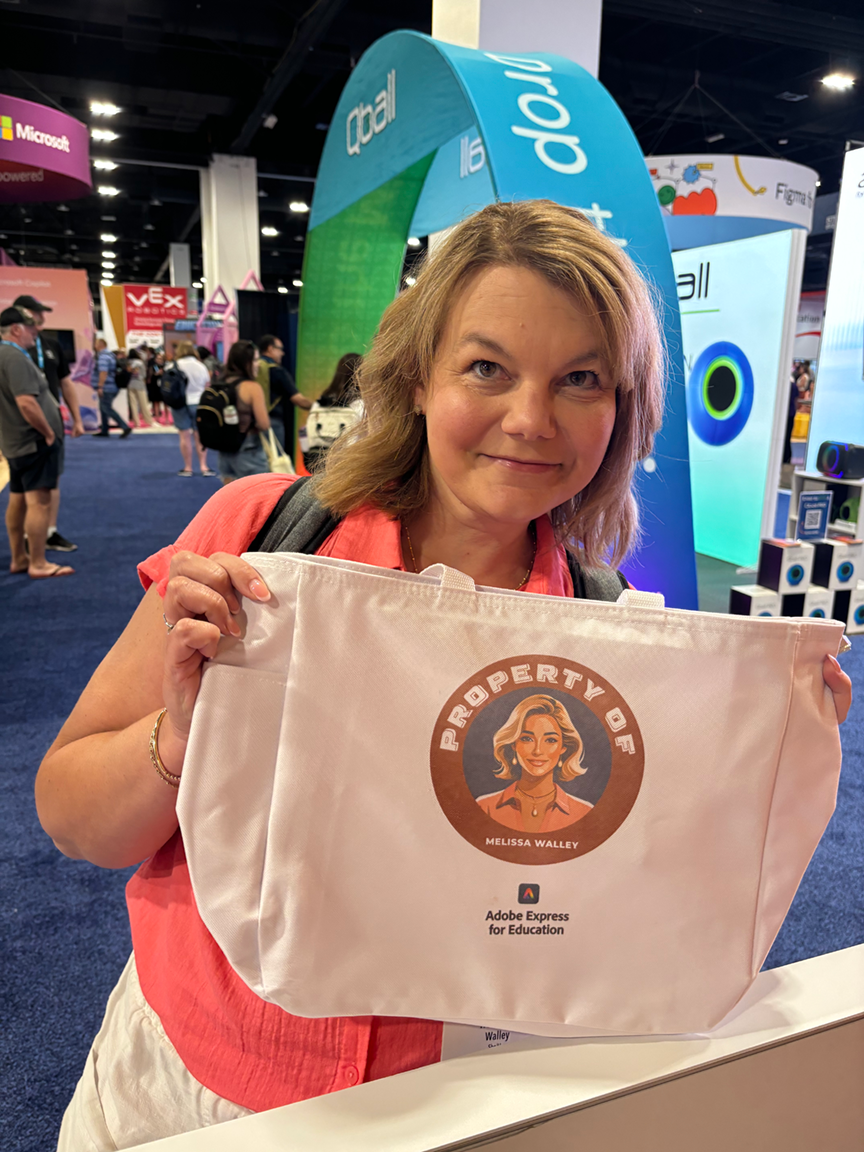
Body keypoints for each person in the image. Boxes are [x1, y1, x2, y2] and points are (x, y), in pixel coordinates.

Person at [36, 201, 851, 1149]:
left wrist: (763, 743)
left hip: (462, 1104)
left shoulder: (604, 633)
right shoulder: (260, 544)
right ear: (419, 377)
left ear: (622, 407)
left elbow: (632, 904)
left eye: (582, 378)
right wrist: (182, 736)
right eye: (487, 368)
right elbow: (71, 819)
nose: (531, 418)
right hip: (197, 1086)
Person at [0, 306, 74, 578]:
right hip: (32, 442)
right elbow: (26, 403)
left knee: (18, 499)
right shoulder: (15, 357)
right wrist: (48, 432)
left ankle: (20, 557)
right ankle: (38, 562)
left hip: (15, 442)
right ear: (17, 329)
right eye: (31, 327)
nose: (36, 332)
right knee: (39, 502)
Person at [13, 294, 84, 552]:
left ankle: (47, 533)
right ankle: (30, 545)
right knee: (25, 490)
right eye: (34, 313)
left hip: (50, 426)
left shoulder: (50, 345)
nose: (40, 318)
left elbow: (66, 383)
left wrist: (77, 419)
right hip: (24, 426)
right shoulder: (13, 350)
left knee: (49, 482)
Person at [476, 694, 592, 831]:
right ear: (514, 744)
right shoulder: (484, 807)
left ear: (563, 748)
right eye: (527, 739)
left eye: (550, 740)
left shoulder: (585, 812)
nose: (537, 751)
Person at [215, 340, 271, 484]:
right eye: (255, 360)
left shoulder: (219, 384)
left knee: (231, 498)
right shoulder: (252, 387)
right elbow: (264, 424)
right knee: (257, 495)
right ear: (246, 362)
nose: (258, 364)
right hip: (249, 450)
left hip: (224, 449)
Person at [303, 351, 363, 472]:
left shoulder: (321, 401)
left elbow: (306, 432)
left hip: (316, 463)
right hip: (345, 467)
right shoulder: (360, 404)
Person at [257, 334, 312, 450]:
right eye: (280, 349)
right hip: (272, 423)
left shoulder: (253, 368)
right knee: (275, 460)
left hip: (251, 424)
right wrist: (318, 407)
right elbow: (299, 400)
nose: (283, 353)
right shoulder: (277, 371)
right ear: (270, 349)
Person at [172, 342, 215, 478]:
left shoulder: (174, 365)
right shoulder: (201, 366)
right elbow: (207, 384)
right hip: (198, 402)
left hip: (179, 403)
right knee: (200, 435)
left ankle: (188, 467)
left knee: (184, 436)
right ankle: (204, 466)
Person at [92, 339, 132, 439]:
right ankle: (104, 430)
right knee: (103, 408)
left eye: (95, 344)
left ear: (100, 345)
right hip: (112, 385)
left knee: (106, 408)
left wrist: (100, 386)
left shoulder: (103, 357)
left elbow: (103, 372)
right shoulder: (111, 355)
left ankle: (124, 426)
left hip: (107, 386)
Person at [126, 349, 154, 428]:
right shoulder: (140, 363)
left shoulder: (128, 363)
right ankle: (149, 421)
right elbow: (144, 374)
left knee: (133, 404)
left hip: (130, 383)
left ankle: (136, 423)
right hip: (140, 383)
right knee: (143, 403)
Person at [145, 347, 167, 425]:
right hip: (155, 387)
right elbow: (150, 376)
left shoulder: (166, 367)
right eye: (158, 358)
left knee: (165, 403)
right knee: (156, 402)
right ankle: (157, 418)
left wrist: (163, 373)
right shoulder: (153, 367)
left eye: (160, 358)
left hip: (164, 387)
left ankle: (167, 418)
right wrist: (155, 374)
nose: (159, 360)